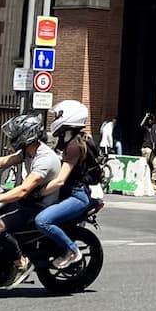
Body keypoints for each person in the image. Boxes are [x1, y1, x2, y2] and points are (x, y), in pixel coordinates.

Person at [0, 113, 61, 288]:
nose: (11, 138)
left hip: (40, 206)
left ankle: (21, 263)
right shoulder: (29, 151)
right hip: (29, 200)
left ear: (26, 135)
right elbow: (4, 162)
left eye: (15, 135)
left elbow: (23, 190)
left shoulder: (44, 159)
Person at [37, 100, 105, 270]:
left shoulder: (75, 145)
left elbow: (60, 179)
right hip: (66, 192)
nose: (54, 119)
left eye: (58, 115)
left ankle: (71, 250)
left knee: (43, 221)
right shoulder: (66, 140)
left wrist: (39, 192)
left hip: (76, 195)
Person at [140, 111, 156, 183]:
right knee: (145, 165)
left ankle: (153, 181)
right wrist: (145, 117)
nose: (150, 121)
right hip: (146, 147)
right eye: (149, 119)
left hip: (154, 149)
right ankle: (143, 181)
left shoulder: (155, 126)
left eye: (151, 119)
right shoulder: (145, 127)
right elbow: (141, 125)